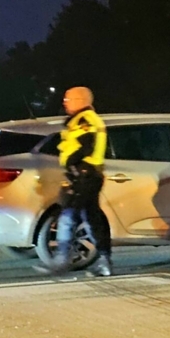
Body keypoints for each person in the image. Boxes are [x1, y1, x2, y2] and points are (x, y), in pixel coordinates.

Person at [37, 86, 113, 277]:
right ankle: (104, 261)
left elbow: (86, 146)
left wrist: (71, 161)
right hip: (85, 175)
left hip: (85, 175)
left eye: (68, 98)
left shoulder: (86, 120)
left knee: (68, 217)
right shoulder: (82, 120)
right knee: (91, 219)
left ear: (80, 100)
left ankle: (62, 260)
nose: (64, 102)